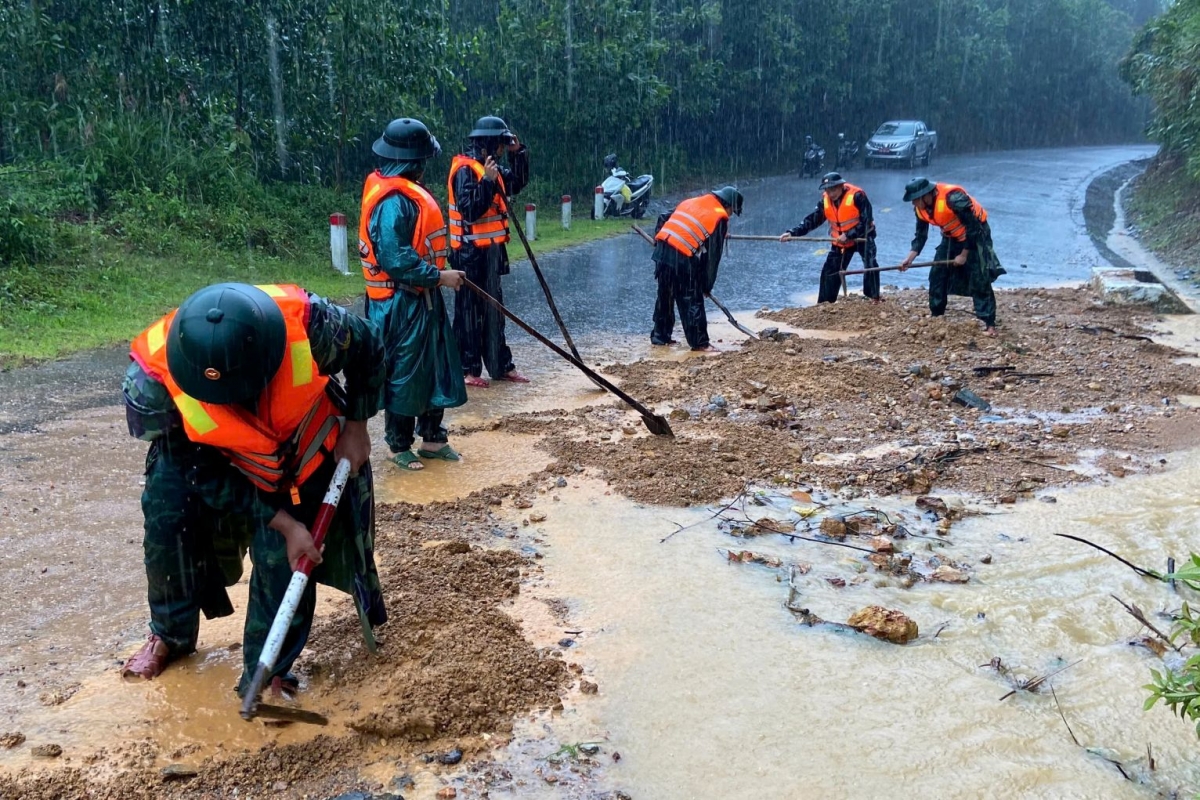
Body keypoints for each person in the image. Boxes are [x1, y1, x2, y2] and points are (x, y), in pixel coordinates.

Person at [120, 282, 388, 701]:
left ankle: (268, 671)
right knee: (167, 521)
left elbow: (369, 346)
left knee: (282, 558)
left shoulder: (313, 325)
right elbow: (199, 471)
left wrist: (357, 426)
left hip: (297, 440)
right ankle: (169, 633)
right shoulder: (150, 382)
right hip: (207, 453)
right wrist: (281, 522)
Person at [360, 118, 467, 471]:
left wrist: (436, 279)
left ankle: (433, 437)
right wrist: (439, 276)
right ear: (412, 162)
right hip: (400, 303)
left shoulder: (408, 192)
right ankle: (398, 444)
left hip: (423, 298)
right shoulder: (392, 202)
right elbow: (396, 259)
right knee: (405, 373)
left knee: (434, 367)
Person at [448, 115, 530, 387]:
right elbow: (469, 209)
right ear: (489, 144)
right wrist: (486, 181)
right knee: (469, 314)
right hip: (468, 255)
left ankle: (500, 365)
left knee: (495, 312)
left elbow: (516, 183)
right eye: (501, 144)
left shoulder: (491, 167)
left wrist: (519, 154)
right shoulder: (466, 169)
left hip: (492, 254)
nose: (502, 149)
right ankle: (467, 369)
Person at [899, 177, 1005, 335]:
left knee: (979, 278)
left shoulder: (954, 198)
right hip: (951, 237)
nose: (913, 203)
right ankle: (936, 315)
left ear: (925, 195)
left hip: (976, 236)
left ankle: (989, 323)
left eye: (915, 199)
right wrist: (910, 258)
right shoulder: (920, 209)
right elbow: (921, 236)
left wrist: (964, 254)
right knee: (937, 275)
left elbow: (973, 227)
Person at [651, 186, 743, 351]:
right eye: (732, 211)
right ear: (728, 205)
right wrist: (706, 286)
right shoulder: (719, 217)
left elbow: (664, 217)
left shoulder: (693, 202)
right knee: (692, 299)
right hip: (681, 258)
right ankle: (700, 344)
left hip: (662, 253)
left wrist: (657, 239)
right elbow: (712, 258)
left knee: (665, 296)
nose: (730, 215)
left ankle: (660, 337)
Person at [780, 172, 881, 304]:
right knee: (830, 270)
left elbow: (866, 221)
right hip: (840, 241)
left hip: (863, 236)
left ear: (841, 186)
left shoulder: (857, 196)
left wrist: (849, 234)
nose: (831, 193)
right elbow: (813, 220)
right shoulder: (825, 201)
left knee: (870, 264)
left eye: (833, 189)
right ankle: (825, 303)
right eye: (828, 190)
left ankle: (873, 297)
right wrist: (792, 233)